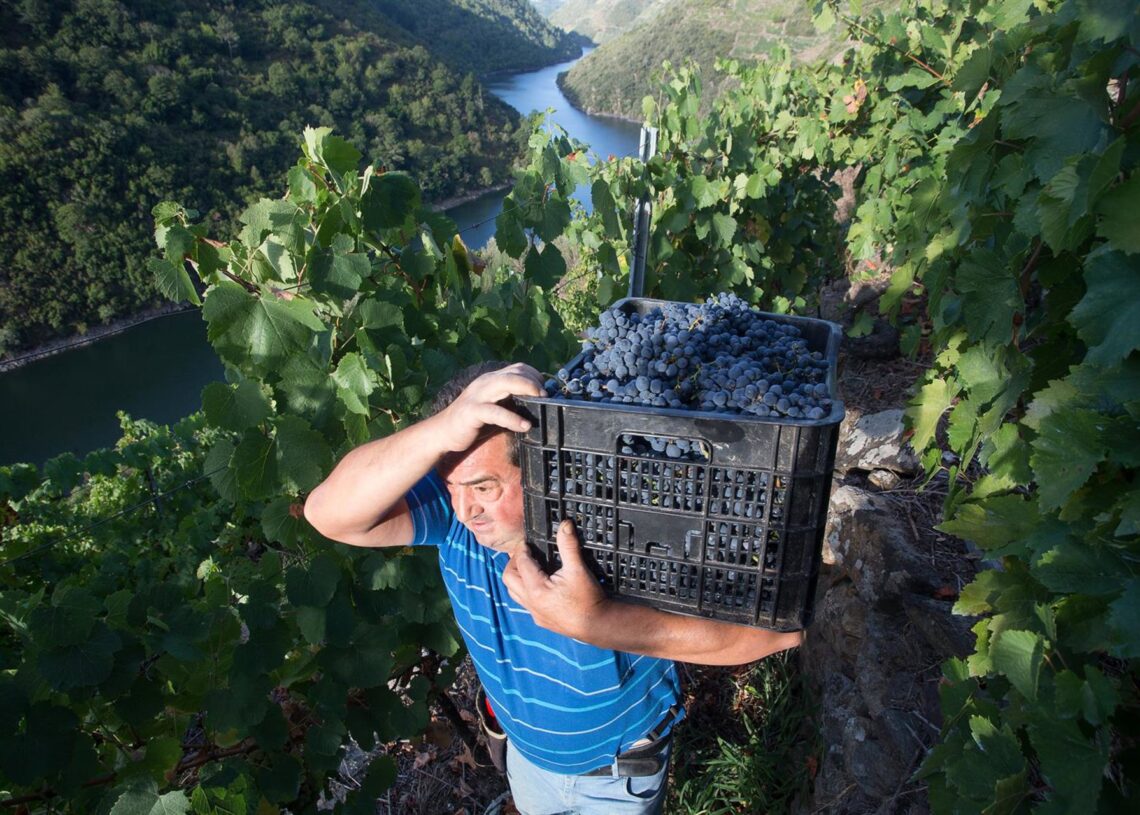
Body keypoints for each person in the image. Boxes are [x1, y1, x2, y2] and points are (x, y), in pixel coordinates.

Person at [304, 361, 802, 815]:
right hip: (526, 763)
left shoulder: (615, 524)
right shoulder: (451, 517)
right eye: (451, 487)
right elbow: (327, 514)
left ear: (541, 468)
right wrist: (440, 430)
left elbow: (776, 634)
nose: (465, 509)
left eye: (484, 487)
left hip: (618, 779)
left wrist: (602, 624)